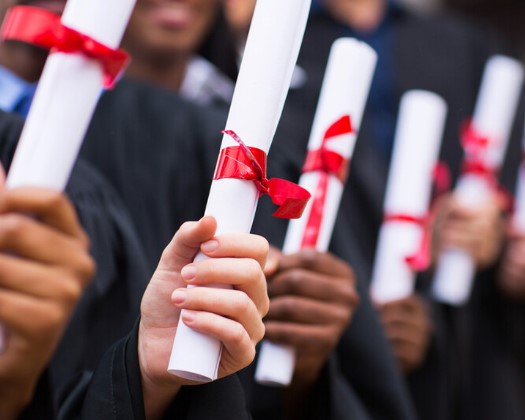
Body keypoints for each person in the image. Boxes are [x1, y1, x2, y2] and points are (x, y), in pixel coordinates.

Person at [260, 0, 524, 419]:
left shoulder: (461, 44)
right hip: (326, 327)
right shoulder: (274, 37)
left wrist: (493, 224)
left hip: (464, 340)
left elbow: (504, 176)